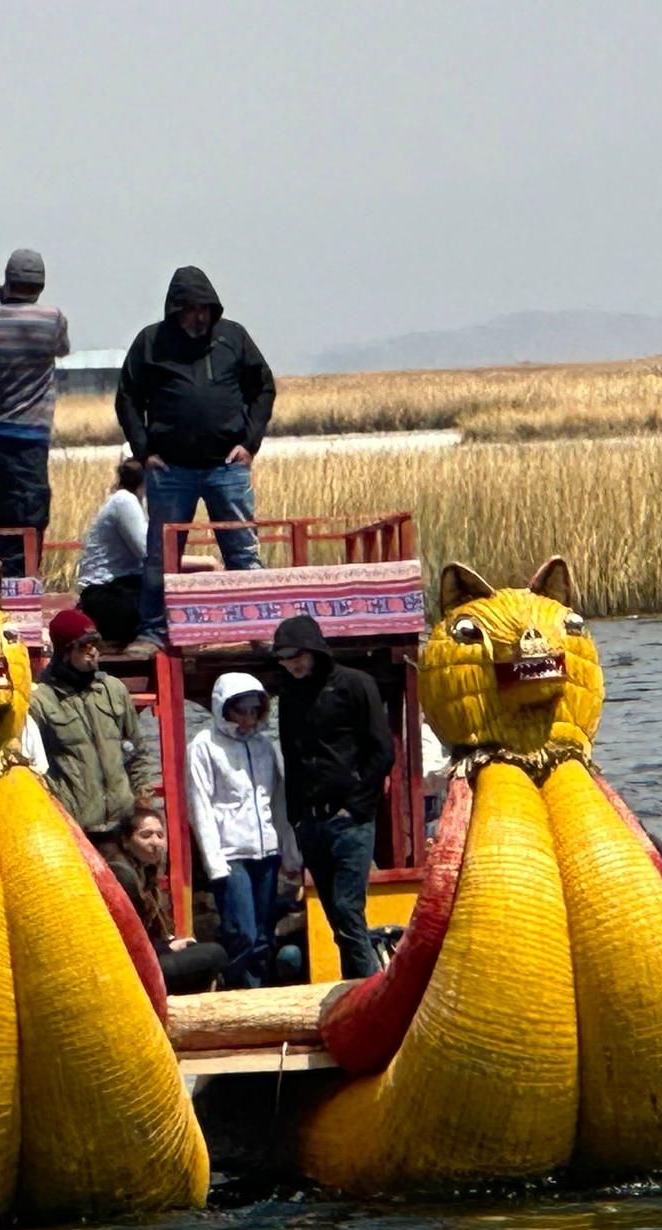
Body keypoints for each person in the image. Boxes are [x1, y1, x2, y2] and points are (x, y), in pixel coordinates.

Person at [115, 267, 276, 649]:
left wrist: (250, 444)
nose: (198, 316)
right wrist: (144, 451)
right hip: (171, 469)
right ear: (175, 310)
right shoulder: (150, 342)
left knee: (241, 551)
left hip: (226, 466)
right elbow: (127, 398)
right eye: (189, 309)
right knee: (162, 554)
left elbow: (263, 388)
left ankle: (257, 629)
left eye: (204, 308)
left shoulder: (233, 338)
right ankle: (153, 631)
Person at [272, 613, 393, 979]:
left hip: (348, 820)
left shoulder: (356, 684)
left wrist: (357, 807)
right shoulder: (290, 695)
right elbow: (291, 756)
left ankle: (368, 990)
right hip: (310, 821)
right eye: (283, 656)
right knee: (335, 918)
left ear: (314, 650)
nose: (291, 663)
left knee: (347, 908)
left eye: (296, 654)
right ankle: (354, 989)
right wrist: (295, 818)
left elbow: (382, 751)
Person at [0, 247, 70, 576]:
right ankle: (25, 588)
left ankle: (8, 583)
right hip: (32, 438)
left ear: (7, 281)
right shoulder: (51, 320)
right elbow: (61, 349)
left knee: (4, 515)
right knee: (32, 518)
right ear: (41, 285)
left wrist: (0, 303)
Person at [187, 673, 299, 989]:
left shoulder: (265, 746)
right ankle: (230, 986)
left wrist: (289, 852)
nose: (248, 718)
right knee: (243, 932)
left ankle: (259, 994)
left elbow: (278, 801)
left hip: (267, 852)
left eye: (254, 710)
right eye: (241, 710)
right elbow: (200, 805)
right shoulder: (204, 745)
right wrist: (214, 862)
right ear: (224, 708)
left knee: (264, 933)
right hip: (229, 854)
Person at [28, 608, 154, 846]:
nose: (93, 651)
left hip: (123, 826)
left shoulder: (114, 690)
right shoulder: (40, 701)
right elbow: (34, 769)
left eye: (95, 643)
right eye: (84, 645)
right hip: (74, 831)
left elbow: (136, 751)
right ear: (66, 652)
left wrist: (143, 801)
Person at [106, 802, 226, 996]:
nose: (155, 842)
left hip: (150, 956)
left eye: (160, 835)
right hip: (133, 968)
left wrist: (169, 944)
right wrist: (165, 948)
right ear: (126, 841)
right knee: (215, 954)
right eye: (146, 835)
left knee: (199, 951)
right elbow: (130, 937)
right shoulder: (122, 876)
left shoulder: (145, 872)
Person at [76, 458, 150, 647]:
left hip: (116, 587)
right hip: (105, 593)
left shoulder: (128, 500)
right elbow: (148, 553)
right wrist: (203, 562)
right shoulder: (125, 501)